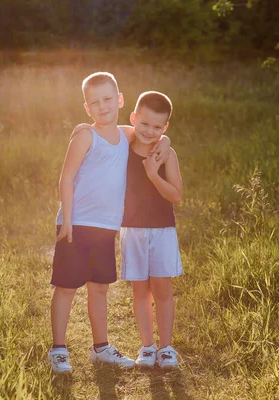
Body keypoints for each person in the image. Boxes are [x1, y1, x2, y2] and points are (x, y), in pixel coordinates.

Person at [47, 72, 171, 374]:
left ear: (119, 100)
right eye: (94, 102)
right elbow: (65, 176)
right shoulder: (86, 135)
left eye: (107, 99)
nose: (102, 106)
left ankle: (101, 348)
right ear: (87, 108)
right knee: (66, 287)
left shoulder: (125, 134)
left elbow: (150, 134)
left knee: (99, 288)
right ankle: (58, 349)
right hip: (76, 225)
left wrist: (165, 139)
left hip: (106, 227)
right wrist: (68, 221)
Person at [120, 91, 183, 369]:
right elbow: (112, 129)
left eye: (158, 127)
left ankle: (165, 347)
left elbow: (176, 196)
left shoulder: (166, 154)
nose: (150, 131)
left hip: (162, 231)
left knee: (162, 289)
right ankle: (147, 346)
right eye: (144, 124)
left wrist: (153, 174)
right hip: (131, 229)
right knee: (140, 291)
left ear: (165, 127)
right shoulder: (124, 144)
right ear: (134, 119)